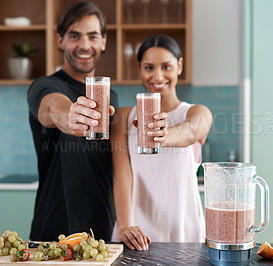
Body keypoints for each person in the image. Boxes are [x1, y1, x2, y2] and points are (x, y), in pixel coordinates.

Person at [111, 35, 213, 250]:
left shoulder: (196, 112)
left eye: (166, 66)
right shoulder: (124, 118)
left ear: (179, 66)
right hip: (136, 235)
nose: (157, 76)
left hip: (184, 234)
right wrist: (123, 226)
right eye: (149, 67)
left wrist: (162, 135)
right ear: (140, 68)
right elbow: (122, 175)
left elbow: (190, 131)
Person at [27, 2, 118, 242]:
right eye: (74, 36)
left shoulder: (111, 96)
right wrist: (70, 116)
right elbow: (52, 108)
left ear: (103, 41)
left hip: (102, 231)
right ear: (60, 41)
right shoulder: (44, 86)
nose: (85, 45)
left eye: (92, 36)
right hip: (52, 229)